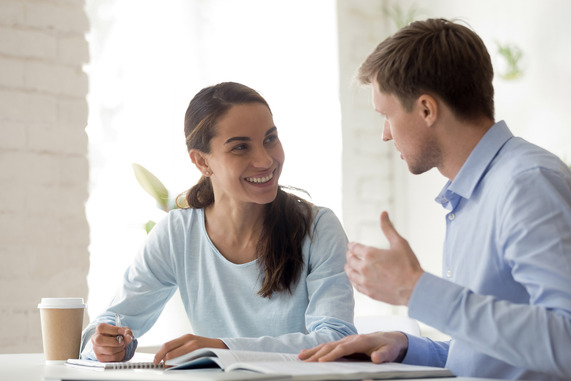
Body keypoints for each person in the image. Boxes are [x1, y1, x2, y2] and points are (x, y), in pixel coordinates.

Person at [299, 18, 571, 380]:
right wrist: (408, 346)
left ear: (426, 109)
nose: (384, 134)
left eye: (387, 115)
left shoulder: (527, 184)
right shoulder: (471, 194)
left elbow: (565, 341)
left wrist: (415, 289)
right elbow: (499, 358)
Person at [80, 81, 357, 364]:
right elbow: (107, 325)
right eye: (240, 147)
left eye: (270, 139)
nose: (265, 160)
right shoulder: (178, 234)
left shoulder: (318, 228)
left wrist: (220, 348)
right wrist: (108, 345)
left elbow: (335, 338)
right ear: (202, 162)